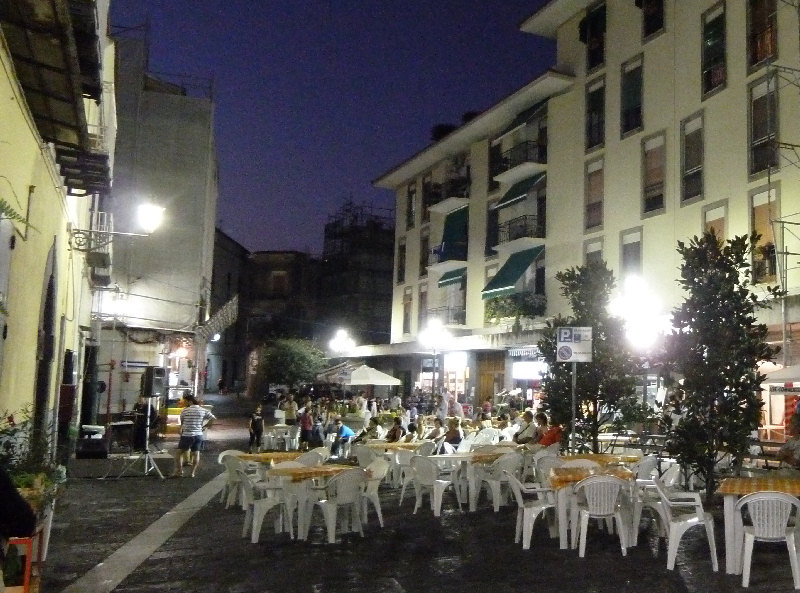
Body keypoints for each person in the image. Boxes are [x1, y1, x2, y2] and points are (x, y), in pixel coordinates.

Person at [172, 394, 216, 478]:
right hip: (198, 435)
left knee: (179, 454)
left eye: (185, 401)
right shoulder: (203, 410)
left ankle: (180, 471)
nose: (184, 403)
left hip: (187, 435)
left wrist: (181, 429)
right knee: (196, 454)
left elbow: (182, 422)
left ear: (190, 401)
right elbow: (213, 418)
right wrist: (206, 426)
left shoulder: (185, 411)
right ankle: (192, 473)